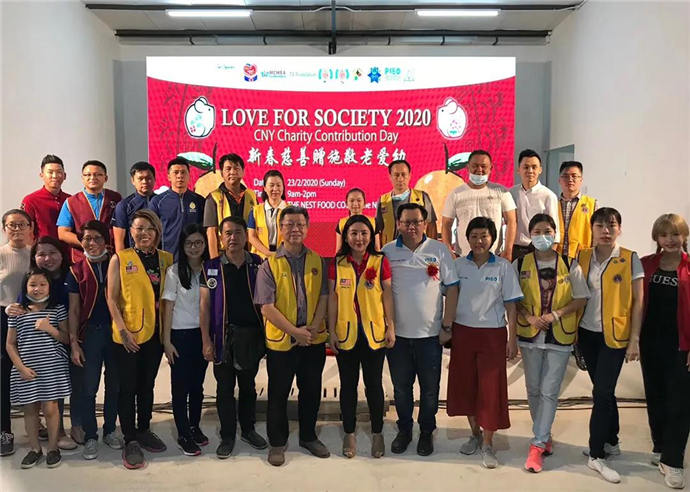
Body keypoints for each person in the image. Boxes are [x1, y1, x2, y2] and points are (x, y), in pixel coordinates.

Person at [513, 214, 590, 473]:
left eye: (547, 231)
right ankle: (543, 435)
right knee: (533, 389)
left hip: (560, 334)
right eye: (537, 231)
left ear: (555, 233)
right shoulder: (519, 264)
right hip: (530, 334)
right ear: (530, 235)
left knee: (549, 391)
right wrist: (529, 317)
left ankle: (537, 444)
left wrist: (556, 314)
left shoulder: (570, 264)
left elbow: (581, 297)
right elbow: (512, 298)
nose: (542, 236)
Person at [254, 206, 330, 466]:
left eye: (300, 224)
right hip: (282, 342)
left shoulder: (318, 261)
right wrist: (295, 332)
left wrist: (311, 329)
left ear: (307, 228)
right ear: (281, 228)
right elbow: (266, 307)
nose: (295, 229)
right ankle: (277, 443)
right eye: (289, 224)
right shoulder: (269, 265)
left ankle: (308, 437)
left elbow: (324, 297)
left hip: (312, 340)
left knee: (311, 391)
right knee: (278, 393)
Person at [382, 203, 459, 456]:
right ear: (398, 224)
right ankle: (404, 430)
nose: (411, 227)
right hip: (398, 337)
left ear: (425, 224)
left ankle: (426, 431)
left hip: (430, 336)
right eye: (406, 222)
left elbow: (453, 288)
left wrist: (447, 325)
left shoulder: (439, 250)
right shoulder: (387, 252)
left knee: (429, 390)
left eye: (416, 222)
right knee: (401, 388)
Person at [446, 216, 522, 469]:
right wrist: (446, 328)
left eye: (484, 236)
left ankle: (488, 444)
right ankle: (475, 435)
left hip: (492, 335)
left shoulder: (503, 267)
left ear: (493, 238)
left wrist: (512, 338)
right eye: (474, 236)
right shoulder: (458, 265)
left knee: (490, 390)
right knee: (466, 387)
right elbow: (449, 297)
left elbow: (511, 306)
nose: (479, 241)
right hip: (463, 333)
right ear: (467, 238)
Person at [576, 207, 644, 483]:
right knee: (604, 391)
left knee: (602, 392)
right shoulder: (582, 257)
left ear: (619, 228)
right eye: (600, 225)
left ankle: (596, 454)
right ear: (592, 229)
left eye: (611, 225)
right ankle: (611, 440)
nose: (606, 230)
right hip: (587, 334)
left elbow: (638, 302)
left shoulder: (629, 258)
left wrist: (635, 339)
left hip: (615, 336)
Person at [107, 209, 174, 469]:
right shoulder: (120, 258)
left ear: (157, 231)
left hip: (155, 334)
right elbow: (112, 299)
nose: (144, 233)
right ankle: (130, 438)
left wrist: (166, 337)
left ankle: (144, 428)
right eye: (138, 228)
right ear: (131, 232)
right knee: (128, 388)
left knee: (147, 385)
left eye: (149, 228)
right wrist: (123, 332)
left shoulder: (166, 259)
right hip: (129, 335)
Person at [328, 215, 395, 458]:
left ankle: (377, 433)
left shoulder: (380, 260)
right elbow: (333, 298)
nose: (359, 238)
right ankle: (349, 432)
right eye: (354, 233)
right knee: (348, 386)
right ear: (346, 237)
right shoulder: (337, 263)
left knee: (374, 385)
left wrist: (390, 326)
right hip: (346, 334)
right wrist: (331, 331)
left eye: (364, 233)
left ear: (371, 236)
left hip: (373, 334)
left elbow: (387, 294)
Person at [200, 217, 268, 459]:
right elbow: (205, 306)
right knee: (225, 388)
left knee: (248, 387)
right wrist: (206, 340)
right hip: (222, 338)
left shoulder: (257, 264)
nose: (233, 237)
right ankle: (227, 435)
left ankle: (248, 430)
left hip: (251, 337)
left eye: (238, 232)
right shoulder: (211, 267)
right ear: (220, 237)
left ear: (245, 236)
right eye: (227, 233)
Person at [6, 236, 78, 450]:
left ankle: (63, 431)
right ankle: (38, 434)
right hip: (33, 352)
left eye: (52, 253)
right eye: (41, 254)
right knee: (33, 399)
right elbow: (19, 314)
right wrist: (10, 308)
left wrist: (62, 335)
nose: (47, 258)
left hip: (67, 339)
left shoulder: (71, 275)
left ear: (62, 254)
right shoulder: (32, 280)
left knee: (57, 394)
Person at [640, 214, 690, 489]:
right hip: (650, 343)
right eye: (664, 235)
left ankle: (673, 461)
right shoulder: (646, 264)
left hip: (681, 345)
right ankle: (660, 446)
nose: (670, 240)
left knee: (680, 402)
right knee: (656, 396)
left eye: (675, 234)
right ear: (657, 238)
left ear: (684, 236)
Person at [67, 220, 122, 460]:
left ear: (106, 240)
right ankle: (91, 435)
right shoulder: (76, 270)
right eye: (87, 238)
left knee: (114, 385)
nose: (92, 243)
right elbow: (74, 310)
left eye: (97, 238)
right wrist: (74, 343)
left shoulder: (118, 263)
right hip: (90, 334)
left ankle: (110, 430)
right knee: (89, 387)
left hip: (116, 332)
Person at [162, 224, 210, 457]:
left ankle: (194, 426)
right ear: (182, 246)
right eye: (189, 243)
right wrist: (166, 341)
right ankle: (183, 434)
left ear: (205, 244)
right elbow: (168, 307)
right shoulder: (173, 272)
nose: (194, 247)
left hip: (203, 335)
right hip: (180, 335)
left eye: (198, 242)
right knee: (180, 388)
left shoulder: (211, 270)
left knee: (197, 387)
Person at [441, 149, 517, 260]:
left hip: (494, 256)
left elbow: (511, 221)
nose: (479, 170)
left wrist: (508, 250)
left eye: (483, 166)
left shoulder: (502, 192)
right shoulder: (455, 194)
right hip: (464, 257)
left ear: (491, 168)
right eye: (475, 166)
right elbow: (446, 224)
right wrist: (448, 250)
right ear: (467, 167)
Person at [0, 209, 33, 457]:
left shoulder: (36, 254)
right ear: (4, 228)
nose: (17, 229)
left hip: (31, 319)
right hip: (3, 317)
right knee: (3, 375)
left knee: (33, 371)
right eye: (12, 225)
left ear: (30, 228)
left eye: (22, 224)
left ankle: (38, 424)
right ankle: (4, 431)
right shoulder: (1, 254)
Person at [57, 160, 122, 263]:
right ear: (82, 178)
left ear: (106, 178)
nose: (92, 178)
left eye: (98, 174)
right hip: (82, 259)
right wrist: (87, 243)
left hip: (110, 256)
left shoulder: (116, 198)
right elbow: (62, 233)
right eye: (88, 175)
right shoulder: (71, 202)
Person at [149, 157, 205, 259]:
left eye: (183, 172)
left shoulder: (199, 200)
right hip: (167, 258)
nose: (180, 176)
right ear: (169, 176)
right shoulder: (157, 201)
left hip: (194, 258)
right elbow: (151, 232)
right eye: (176, 172)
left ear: (189, 175)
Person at [203, 153, 258, 258]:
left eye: (236, 168)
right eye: (228, 169)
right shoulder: (213, 197)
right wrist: (215, 260)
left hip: (247, 253)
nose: (232, 172)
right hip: (223, 254)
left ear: (243, 172)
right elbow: (211, 232)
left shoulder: (251, 196)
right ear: (222, 173)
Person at [509, 150, 560, 259]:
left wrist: (549, 257)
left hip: (539, 250)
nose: (530, 171)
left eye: (534, 167)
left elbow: (555, 231)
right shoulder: (511, 193)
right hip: (515, 250)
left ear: (540, 170)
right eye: (526, 167)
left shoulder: (548, 196)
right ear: (518, 169)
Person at [375, 159, 437, 245]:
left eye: (403, 174)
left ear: (410, 175)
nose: (400, 179)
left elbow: (431, 225)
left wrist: (431, 248)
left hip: (418, 248)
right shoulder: (383, 201)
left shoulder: (422, 197)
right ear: (390, 176)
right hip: (390, 249)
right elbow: (378, 230)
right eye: (396, 175)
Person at [21, 154, 69, 246]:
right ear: (41, 175)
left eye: (59, 172)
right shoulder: (30, 200)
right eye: (50, 172)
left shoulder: (70, 200)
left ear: (64, 176)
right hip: (42, 251)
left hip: (67, 252)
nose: (54, 176)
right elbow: (25, 232)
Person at [556, 161, 597, 260]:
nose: (570, 179)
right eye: (565, 176)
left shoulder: (592, 204)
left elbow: (596, 234)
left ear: (581, 180)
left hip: (582, 258)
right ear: (559, 180)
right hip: (556, 258)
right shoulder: (553, 203)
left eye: (574, 176)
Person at [112, 161, 156, 252]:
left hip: (159, 255)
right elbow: (119, 241)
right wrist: (122, 259)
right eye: (140, 179)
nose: (144, 182)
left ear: (154, 179)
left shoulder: (162, 202)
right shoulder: (124, 205)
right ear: (133, 181)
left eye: (148, 178)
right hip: (134, 256)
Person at [247, 170, 288, 258]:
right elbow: (251, 237)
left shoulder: (291, 211)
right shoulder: (255, 211)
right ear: (265, 188)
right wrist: (268, 253)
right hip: (260, 258)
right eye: (271, 185)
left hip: (284, 257)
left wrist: (281, 253)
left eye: (278, 185)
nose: (275, 189)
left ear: (283, 187)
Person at [335, 188, 379, 253]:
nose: (355, 204)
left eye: (359, 200)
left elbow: (377, 248)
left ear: (364, 203)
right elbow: (339, 249)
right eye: (352, 201)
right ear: (346, 203)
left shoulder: (373, 222)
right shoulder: (342, 223)